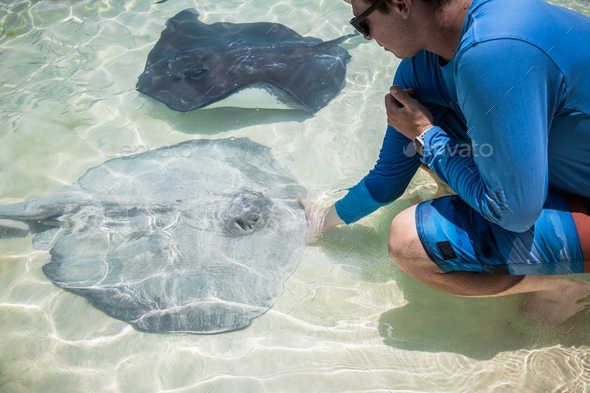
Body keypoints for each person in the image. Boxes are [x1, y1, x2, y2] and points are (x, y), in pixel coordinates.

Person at [298, 0, 590, 325]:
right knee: (426, 138)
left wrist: (427, 135)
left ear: (400, 5)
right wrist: (324, 218)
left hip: (534, 203)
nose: (366, 37)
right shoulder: (428, 59)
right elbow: (388, 178)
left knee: (410, 242)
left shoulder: (492, 52)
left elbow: (515, 213)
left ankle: (556, 288)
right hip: (550, 176)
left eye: (363, 23)